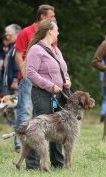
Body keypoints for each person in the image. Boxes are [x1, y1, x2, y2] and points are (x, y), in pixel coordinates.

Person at [15, 4, 57, 169]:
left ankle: (45, 156)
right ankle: (21, 145)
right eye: (51, 16)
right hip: (29, 79)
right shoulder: (26, 32)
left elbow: (55, 56)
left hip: (46, 83)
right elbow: (19, 54)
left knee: (45, 116)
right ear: (42, 17)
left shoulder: (52, 32)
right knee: (26, 112)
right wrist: (25, 75)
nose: (54, 18)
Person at [26, 20, 71, 169]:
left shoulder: (56, 49)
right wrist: (49, 85)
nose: (59, 32)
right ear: (49, 31)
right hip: (42, 94)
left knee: (57, 128)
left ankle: (57, 163)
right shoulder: (36, 50)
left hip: (57, 95)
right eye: (57, 29)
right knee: (38, 129)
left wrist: (67, 79)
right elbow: (30, 73)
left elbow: (62, 69)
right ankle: (32, 165)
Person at [3, 24, 21, 152]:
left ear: (17, 34)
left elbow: (18, 65)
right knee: (12, 115)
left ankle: (19, 144)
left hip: (16, 86)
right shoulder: (11, 48)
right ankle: (18, 142)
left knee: (18, 114)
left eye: (9, 33)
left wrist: (15, 79)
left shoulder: (18, 48)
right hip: (9, 86)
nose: (7, 35)